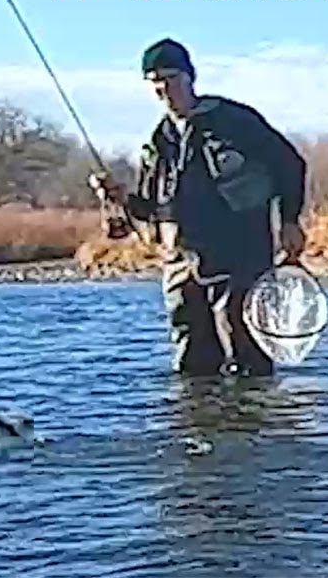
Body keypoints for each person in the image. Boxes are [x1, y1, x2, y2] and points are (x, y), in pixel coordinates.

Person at [91, 37, 308, 378]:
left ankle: (256, 428)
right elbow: (150, 208)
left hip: (239, 255)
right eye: (155, 81)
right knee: (191, 364)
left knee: (244, 351)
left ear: (190, 78)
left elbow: (290, 164)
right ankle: (195, 429)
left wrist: (290, 221)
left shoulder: (234, 121)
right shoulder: (157, 141)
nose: (164, 88)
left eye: (171, 78)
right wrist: (120, 198)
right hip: (181, 265)